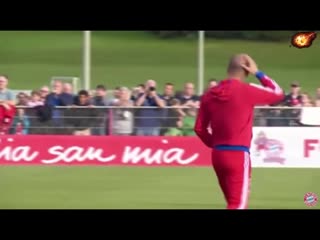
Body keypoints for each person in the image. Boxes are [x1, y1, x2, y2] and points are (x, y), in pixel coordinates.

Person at [194, 54, 285, 209]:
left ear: (228, 69)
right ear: (246, 70)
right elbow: (278, 93)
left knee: (233, 202)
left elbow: (199, 128)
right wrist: (258, 73)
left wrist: (215, 143)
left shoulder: (210, 94)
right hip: (238, 153)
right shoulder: (247, 90)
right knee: (238, 204)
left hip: (218, 154)